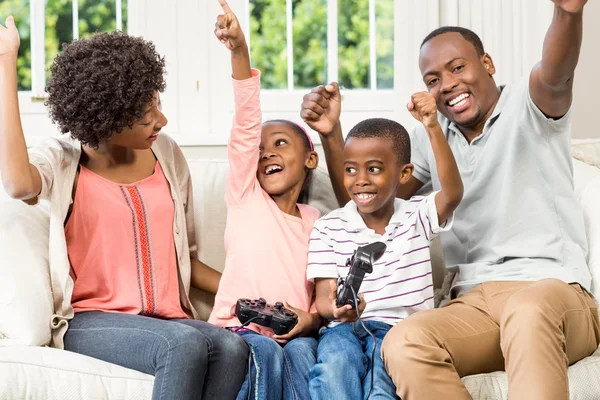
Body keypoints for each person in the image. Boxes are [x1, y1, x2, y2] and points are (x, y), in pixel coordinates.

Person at [301, 1, 600, 399]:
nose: (446, 85)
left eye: (457, 68)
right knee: (403, 342)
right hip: (474, 303)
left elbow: (557, 73)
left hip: (554, 291)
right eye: (432, 79)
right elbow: (366, 206)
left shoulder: (531, 106)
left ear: (487, 63)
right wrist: (331, 134)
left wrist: (568, 14)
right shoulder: (429, 136)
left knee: (528, 310)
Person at [0, 16, 248, 400]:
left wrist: (246, 289)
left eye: (158, 105)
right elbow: (17, 183)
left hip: (169, 319)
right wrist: (6, 63)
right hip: (92, 322)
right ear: (107, 121)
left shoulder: (167, 155)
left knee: (233, 348)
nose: (161, 122)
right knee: (181, 346)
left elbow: (186, 259)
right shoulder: (63, 160)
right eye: (145, 117)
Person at [306, 91, 463, 400]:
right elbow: (323, 297)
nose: (360, 180)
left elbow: (453, 192)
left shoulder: (417, 215)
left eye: (374, 169)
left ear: (403, 173)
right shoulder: (328, 226)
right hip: (342, 330)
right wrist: (336, 307)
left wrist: (432, 126)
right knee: (335, 367)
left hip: (400, 331)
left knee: (382, 383)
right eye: (350, 169)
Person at [208, 1, 322, 399]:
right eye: (260, 149)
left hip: (293, 336)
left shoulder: (316, 220)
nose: (266, 152)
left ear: (310, 159)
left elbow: (321, 296)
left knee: (307, 355)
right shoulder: (245, 196)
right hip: (236, 329)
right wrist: (240, 51)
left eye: (279, 144)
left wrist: (308, 321)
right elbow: (245, 125)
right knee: (265, 357)